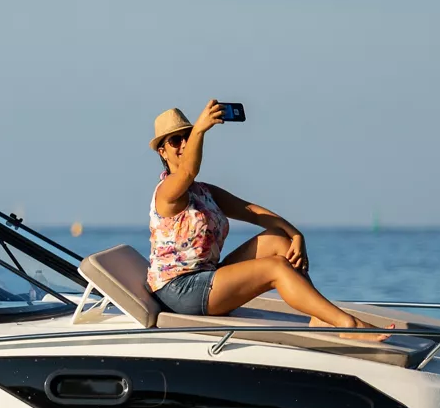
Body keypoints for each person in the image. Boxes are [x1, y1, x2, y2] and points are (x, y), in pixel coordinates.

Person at [146, 102, 368, 328]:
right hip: (180, 290)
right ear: (162, 151)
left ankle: (319, 317)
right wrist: (200, 130)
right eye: (176, 140)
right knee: (275, 267)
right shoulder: (166, 192)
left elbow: (251, 212)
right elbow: (187, 171)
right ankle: (348, 325)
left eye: (188, 136)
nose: (184, 143)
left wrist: (296, 235)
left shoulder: (203, 192)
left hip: (206, 277)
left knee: (279, 240)